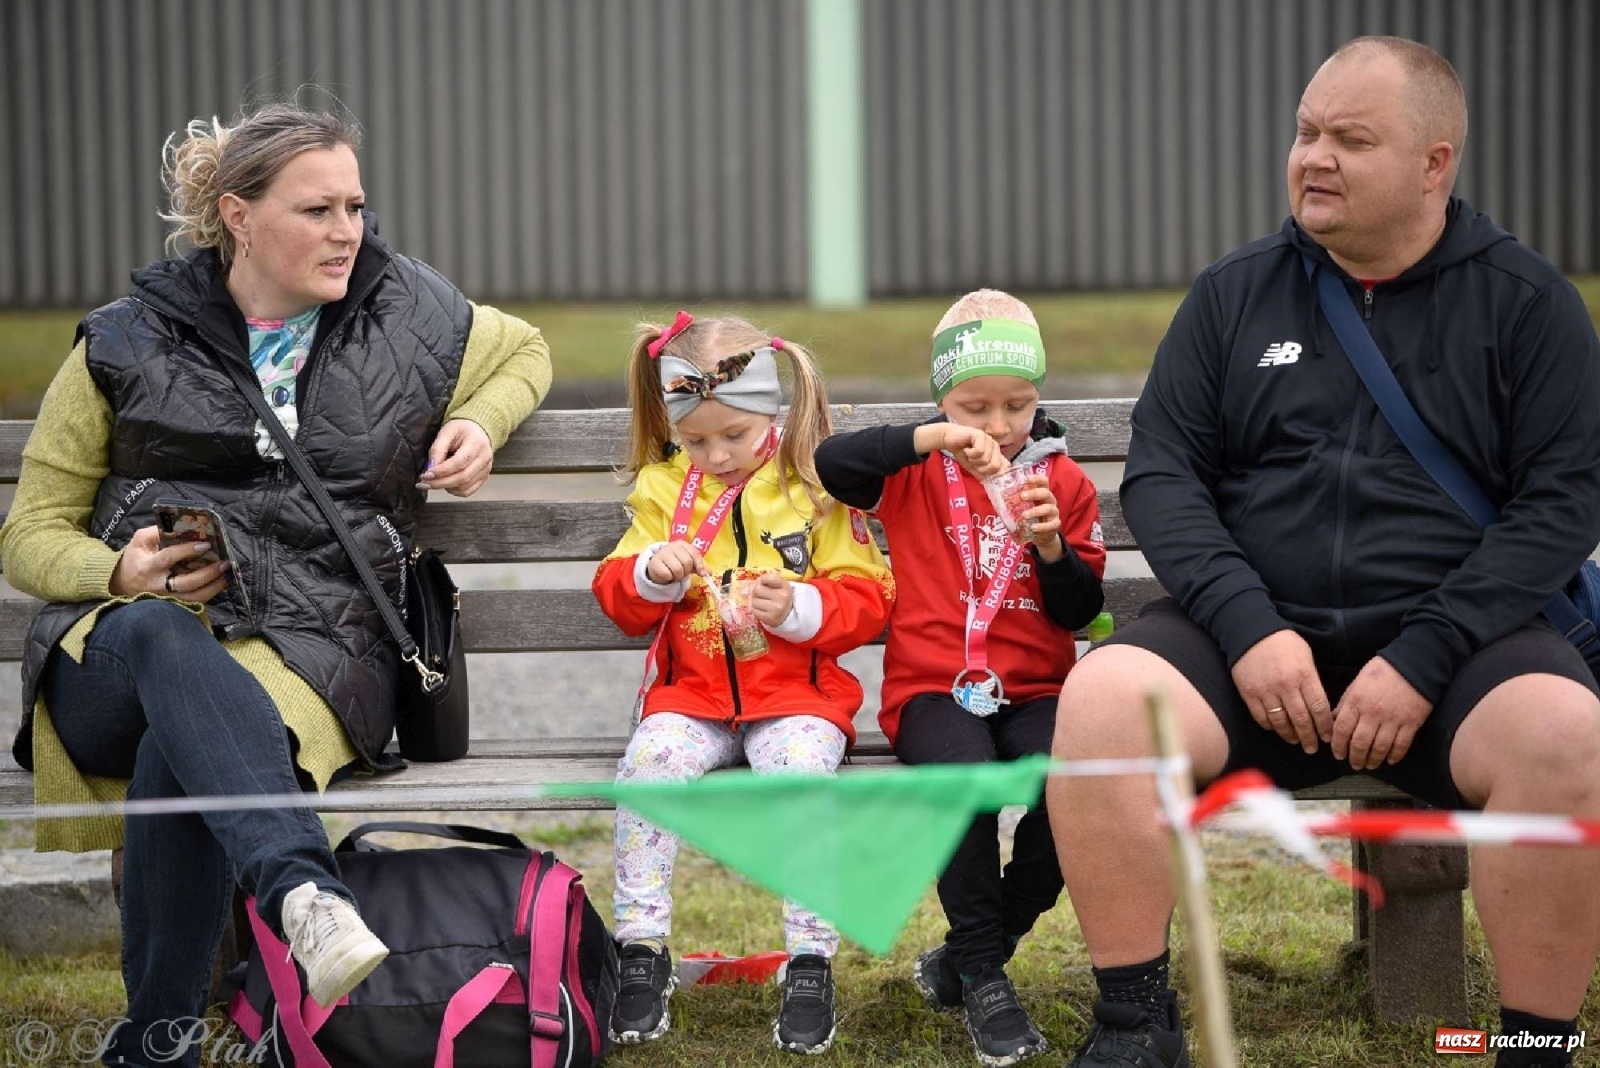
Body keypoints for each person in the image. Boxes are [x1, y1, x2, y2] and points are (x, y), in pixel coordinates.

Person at [1049, 36, 1600, 1068]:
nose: (1313, 158)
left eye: (1351, 139)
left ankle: (1534, 1044)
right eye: (1306, 133)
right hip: (1251, 650)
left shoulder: (1528, 305)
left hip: (1455, 660)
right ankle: (1132, 1025)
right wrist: (1249, 628)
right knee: (1104, 700)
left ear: (1435, 162)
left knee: (1565, 734)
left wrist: (1423, 657)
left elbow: (1559, 508)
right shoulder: (1232, 294)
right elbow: (1163, 477)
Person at [0, 102, 551, 1067]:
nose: (348, 232)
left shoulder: (408, 309)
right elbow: (30, 535)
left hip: (315, 645)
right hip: (119, 659)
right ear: (238, 216)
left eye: (356, 206)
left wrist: (486, 422)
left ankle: (158, 1039)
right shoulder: (124, 342)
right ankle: (307, 894)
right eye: (317, 210)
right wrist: (115, 568)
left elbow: (526, 351)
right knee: (166, 640)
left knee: (203, 726)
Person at [814, 289, 1106, 1068]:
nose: (1000, 425)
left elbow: (1081, 608)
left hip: (1038, 691)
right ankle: (986, 982)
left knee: (1075, 784)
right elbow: (829, 464)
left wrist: (1050, 549)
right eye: (974, 406)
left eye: (1018, 404)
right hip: (932, 692)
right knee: (966, 783)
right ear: (943, 400)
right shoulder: (913, 471)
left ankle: (981, 947)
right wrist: (930, 438)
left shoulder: (1063, 483)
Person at [591, 310, 896, 1055]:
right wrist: (650, 574)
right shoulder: (664, 490)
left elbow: (869, 595)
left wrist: (799, 607)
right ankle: (640, 951)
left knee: (799, 780)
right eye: (697, 439)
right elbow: (615, 595)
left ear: (772, 414)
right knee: (648, 768)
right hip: (690, 699)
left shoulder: (815, 489)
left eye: (736, 435)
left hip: (797, 701)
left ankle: (809, 959)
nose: (717, 454)